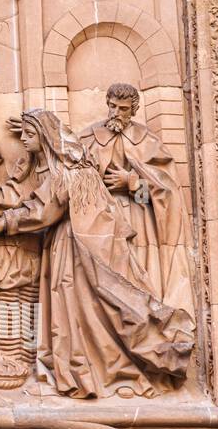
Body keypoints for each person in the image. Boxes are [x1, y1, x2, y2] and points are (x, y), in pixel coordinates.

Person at [0, 109, 195, 398]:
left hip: (78, 251)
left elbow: (42, 211)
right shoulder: (72, 171)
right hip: (78, 248)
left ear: (47, 140)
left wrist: (3, 223)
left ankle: (89, 374)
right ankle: (90, 372)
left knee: (80, 311)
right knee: (81, 313)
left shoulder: (71, 175)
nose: (23, 139)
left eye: (30, 135)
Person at [79, 83, 197, 320]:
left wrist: (131, 182)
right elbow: (75, 180)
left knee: (139, 275)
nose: (115, 113)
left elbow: (166, 195)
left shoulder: (146, 142)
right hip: (102, 219)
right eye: (112, 106)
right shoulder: (89, 138)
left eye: (122, 109)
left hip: (138, 218)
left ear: (132, 111)